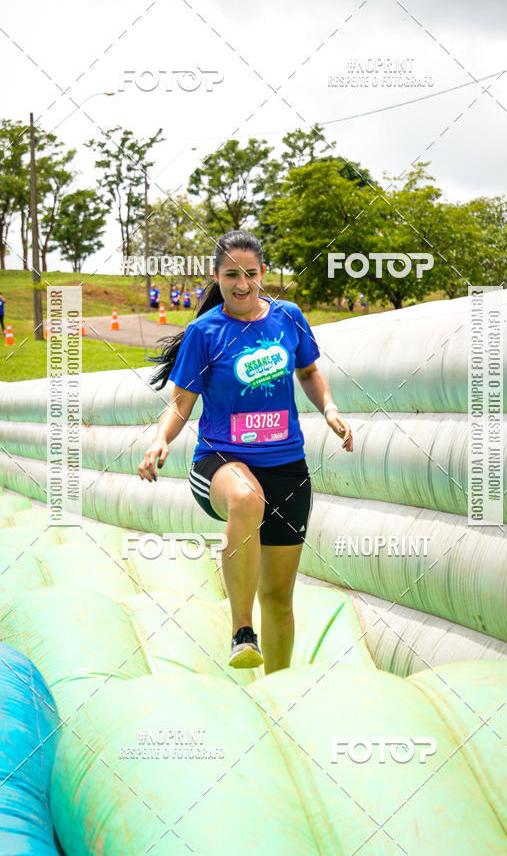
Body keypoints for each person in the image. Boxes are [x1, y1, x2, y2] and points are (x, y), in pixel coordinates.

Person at [139, 230, 353, 674]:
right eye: (231, 275)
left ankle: (278, 692)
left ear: (263, 274)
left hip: (287, 469)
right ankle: (241, 631)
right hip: (219, 461)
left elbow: (309, 371)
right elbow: (182, 404)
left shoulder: (288, 318)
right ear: (215, 276)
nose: (242, 284)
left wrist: (329, 409)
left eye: (251, 274)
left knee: (278, 597)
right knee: (246, 498)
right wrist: (161, 439)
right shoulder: (204, 332)